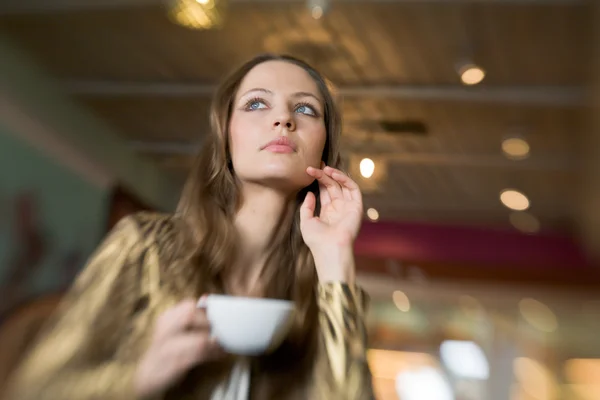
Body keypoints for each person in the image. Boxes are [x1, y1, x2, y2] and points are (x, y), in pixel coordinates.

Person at [6, 54, 375, 400]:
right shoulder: (144, 246)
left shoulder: (326, 294)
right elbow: (33, 388)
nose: (284, 119)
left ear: (324, 148)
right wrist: (138, 376)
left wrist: (336, 256)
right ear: (225, 134)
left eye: (305, 109)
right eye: (257, 104)